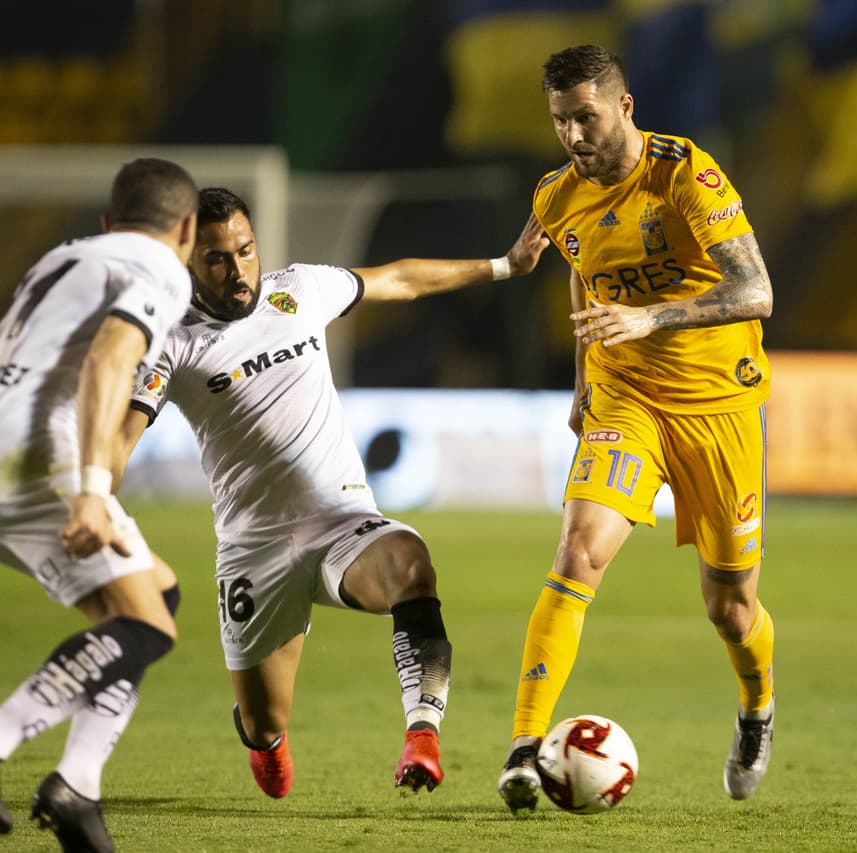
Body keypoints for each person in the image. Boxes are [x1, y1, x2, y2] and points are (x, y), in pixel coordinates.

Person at [119, 187, 549, 800]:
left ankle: (422, 736)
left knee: (411, 563)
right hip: (254, 550)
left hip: (344, 523)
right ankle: (263, 738)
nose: (238, 269)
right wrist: (90, 496)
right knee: (265, 723)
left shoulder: (298, 288)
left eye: (246, 250)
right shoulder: (172, 342)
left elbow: (398, 279)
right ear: (188, 260)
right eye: (217, 259)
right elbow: (122, 434)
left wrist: (504, 265)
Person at [496, 44, 777, 813]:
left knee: (730, 606)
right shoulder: (557, 197)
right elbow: (587, 279)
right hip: (628, 403)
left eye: (586, 116)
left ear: (624, 106)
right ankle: (524, 746)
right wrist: (585, 384)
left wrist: (649, 315)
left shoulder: (687, 174)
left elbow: (756, 289)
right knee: (577, 552)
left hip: (719, 403)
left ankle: (757, 707)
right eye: (560, 121)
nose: (574, 135)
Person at [0, 158, 198, 852]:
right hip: (33, 460)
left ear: (109, 220)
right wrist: (91, 488)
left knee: (155, 598)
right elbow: (109, 360)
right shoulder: (161, 267)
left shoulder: (65, 254)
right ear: (186, 228)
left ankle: (77, 785)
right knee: (147, 625)